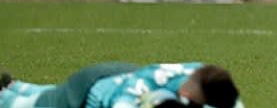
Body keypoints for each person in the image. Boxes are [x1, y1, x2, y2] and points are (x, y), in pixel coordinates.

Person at [0, 63, 241, 108]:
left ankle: (15, 85)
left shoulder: (207, 79)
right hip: (89, 90)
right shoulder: (135, 96)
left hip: (121, 73)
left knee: (52, 94)